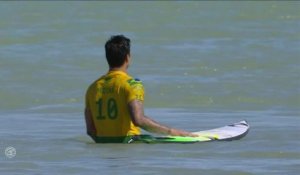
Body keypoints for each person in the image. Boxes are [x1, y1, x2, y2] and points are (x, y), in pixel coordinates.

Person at [85, 35, 197, 143]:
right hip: (129, 147)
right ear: (128, 57)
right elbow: (138, 120)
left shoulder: (92, 88)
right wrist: (173, 132)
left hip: (104, 153)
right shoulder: (132, 84)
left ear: (107, 58)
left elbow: (90, 131)